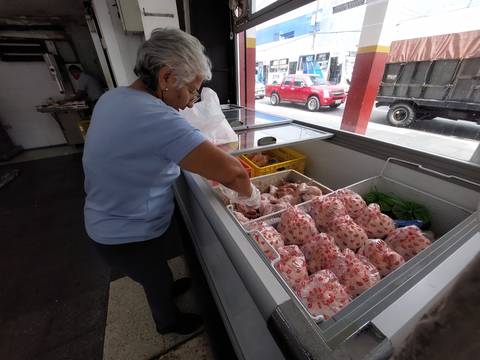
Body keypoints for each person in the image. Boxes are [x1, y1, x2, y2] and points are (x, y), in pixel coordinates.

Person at [82, 28, 260, 335]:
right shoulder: (157, 118)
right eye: (191, 90)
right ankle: (168, 322)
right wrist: (254, 201)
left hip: (105, 217)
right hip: (125, 233)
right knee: (155, 280)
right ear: (165, 78)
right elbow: (235, 173)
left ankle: (163, 282)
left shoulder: (114, 97)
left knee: (153, 269)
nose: (192, 102)